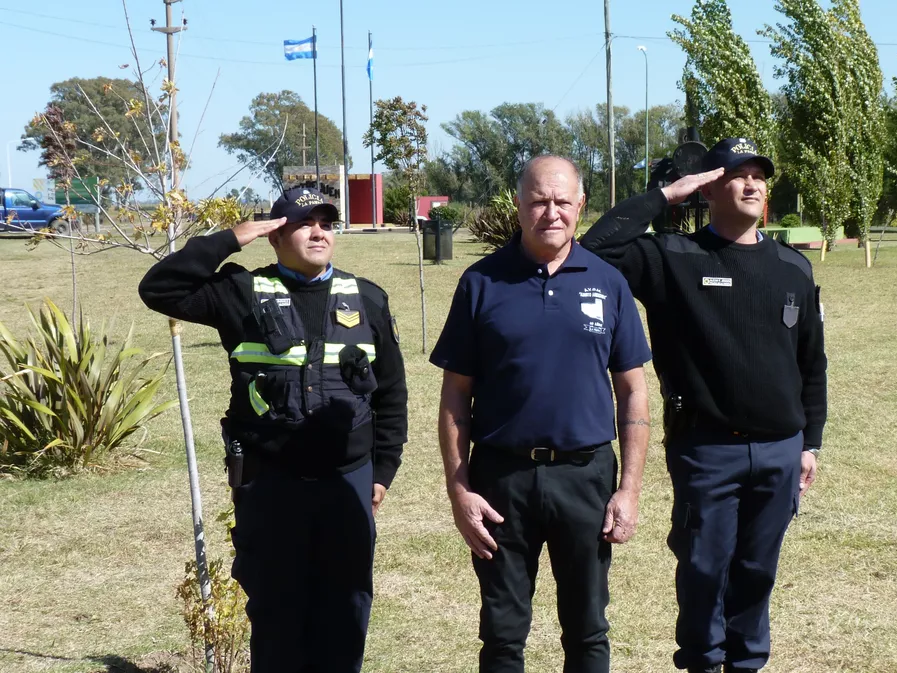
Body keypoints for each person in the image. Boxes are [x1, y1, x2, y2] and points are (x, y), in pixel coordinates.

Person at [579, 138, 828, 673]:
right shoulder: (673, 257)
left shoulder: (794, 269)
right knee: (702, 570)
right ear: (710, 185)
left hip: (781, 451)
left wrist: (811, 443)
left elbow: (812, 363)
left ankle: (747, 664)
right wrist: (668, 194)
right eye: (737, 174)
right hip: (707, 451)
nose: (752, 184)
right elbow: (596, 249)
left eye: (759, 175)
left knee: (758, 571)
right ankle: (701, 663)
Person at [138, 187, 408, 673]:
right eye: (305, 223)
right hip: (271, 485)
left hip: (347, 482)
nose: (319, 231)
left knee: (346, 612)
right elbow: (159, 289)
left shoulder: (366, 298)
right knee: (276, 615)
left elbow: (390, 393)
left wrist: (383, 470)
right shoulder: (240, 293)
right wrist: (230, 238)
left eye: (327, 222)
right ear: (274, 235)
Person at [431, 155, 653, 673]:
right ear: (519, 204)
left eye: (561, 201)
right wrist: (459, 489)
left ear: (580, 205)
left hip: (586, 477)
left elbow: (634, 393)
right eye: (537, 200)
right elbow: (454, 397)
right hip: (501, 480)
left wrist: (630, 489)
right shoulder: (481, 282)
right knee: (504, 636)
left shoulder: (608, 281)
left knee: (588, 631)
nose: (550, 212)